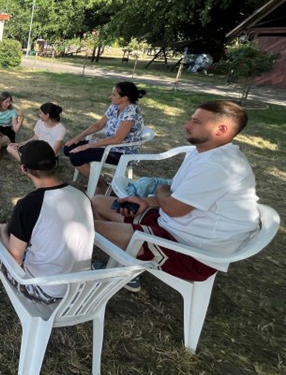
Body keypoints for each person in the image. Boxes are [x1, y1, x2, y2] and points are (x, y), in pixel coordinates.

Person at [92, 100, 259, 292]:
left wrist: (161, 188)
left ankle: (122, 269)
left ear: (221, 129)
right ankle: (122, 265)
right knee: (97, 202)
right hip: (172, 225)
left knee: (88, 228)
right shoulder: (202, 153)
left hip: (191, 251)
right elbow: (176, 197)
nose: (187, 125)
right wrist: (145, 201)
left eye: (196, 122)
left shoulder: (218, 165)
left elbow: (173, 206)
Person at [0, 140, 94, 304]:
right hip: (80, 286)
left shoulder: (29, 205)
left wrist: (3, 231)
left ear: (23, 169)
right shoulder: (81, 195)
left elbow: (15, 259)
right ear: (55, 163)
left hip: (45, 290)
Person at [63, 81, 146, 193]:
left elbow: (117, 139)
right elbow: (99, 125)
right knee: (68, 148)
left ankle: (101, 184)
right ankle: (98, 179)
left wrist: (88, 146)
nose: (110, 97)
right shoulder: (115, 106)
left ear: (124, 98)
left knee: (75, 157)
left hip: (123, 151)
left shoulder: (131, 112)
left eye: (114, 95)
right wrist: (79, 137)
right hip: (109, 145)